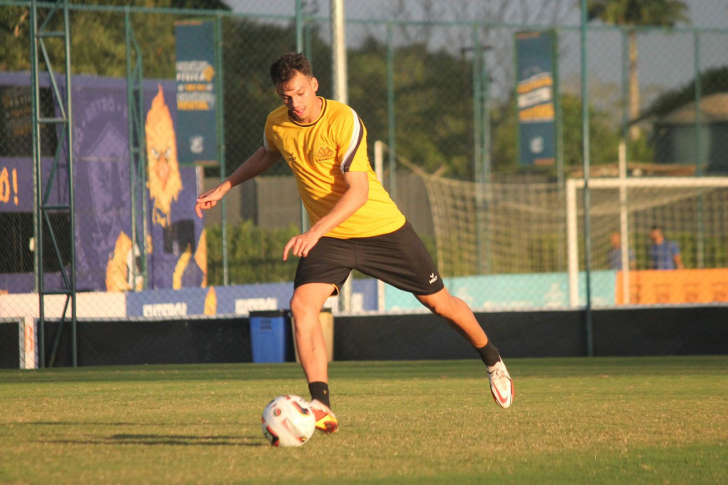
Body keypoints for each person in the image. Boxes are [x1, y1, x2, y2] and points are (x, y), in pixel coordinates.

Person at [195, 53, 513, 434]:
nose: (294, 104)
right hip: (331, 237)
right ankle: (321, 405)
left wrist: (313, 231)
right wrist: (226, 186)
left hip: (382, 229)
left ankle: (493, 360)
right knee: (301, 306)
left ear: (313, 85)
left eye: (298, 93)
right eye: (285, 97)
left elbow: (358, 192)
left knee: (439, 303)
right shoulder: (277, 124)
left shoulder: (343, 120)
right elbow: (267, 154)